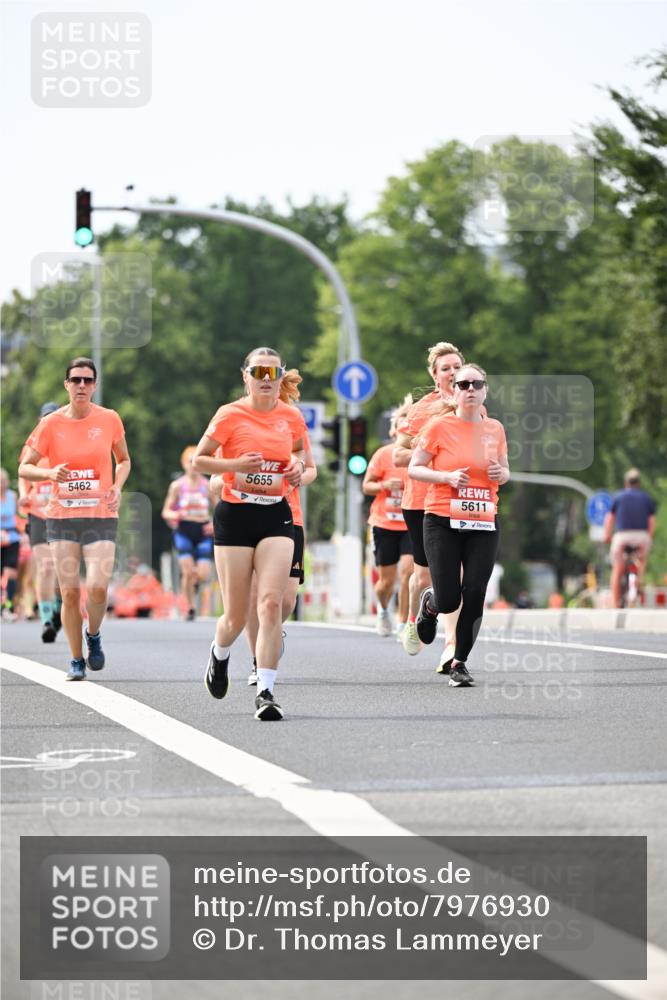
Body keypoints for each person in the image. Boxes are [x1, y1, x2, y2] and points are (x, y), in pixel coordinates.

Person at [193, 348, 306, 721]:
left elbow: (305, 462)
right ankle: (219, 653)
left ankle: (267, 691)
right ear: (246, 376)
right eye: (258, 371)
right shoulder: (230, 414)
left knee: (271, 603)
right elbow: (199, 459)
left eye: (273, 372)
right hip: (235, 516)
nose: (266, 378)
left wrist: (297, 472)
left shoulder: (290, 417)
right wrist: (233, 465)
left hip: (276, 515)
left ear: (280, 376)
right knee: (236, 617)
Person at [18, 357, 131, 680]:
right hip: (63, 517)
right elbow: (25, 467)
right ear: (66, 385)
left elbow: (123, 460)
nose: (82, 386)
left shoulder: (109, 419)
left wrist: (119, 486)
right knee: (68, 592)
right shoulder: (51, 423)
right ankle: (76, 659)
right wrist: (50, 472)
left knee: (97, 587)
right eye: (76, 380)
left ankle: (93, 634)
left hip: (100, 514)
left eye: (87, 380)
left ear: (94, 385)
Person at [409, 364, 510, 687]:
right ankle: (431, 604)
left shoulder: (495, 429)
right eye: (462, 384)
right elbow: (415, 468)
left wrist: (500, 475)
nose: (469, 389)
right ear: (453, 392)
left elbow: (505, 470)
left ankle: (459, 662)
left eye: (475, 384)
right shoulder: (439, 427)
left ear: (484, 390)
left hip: (483, 519)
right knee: (450, 598)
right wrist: (445, 477)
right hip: (442, 519)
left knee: (476, 591)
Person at [393, 342, 466, 672]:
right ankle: (413, 618)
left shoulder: (473, 406)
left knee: (456, 574)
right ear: (434, 376)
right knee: (423, 575)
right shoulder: (421, 409)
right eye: (446, 368)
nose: (452, 373)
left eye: (456, 367)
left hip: (458, 499)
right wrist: (433, 452)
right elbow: (398, 455)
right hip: (421, 499)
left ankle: (451, 647)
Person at [363, 405, 413, 637]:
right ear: (394, 431)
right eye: (401, 422)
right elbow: (367, 486)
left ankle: (403, 624)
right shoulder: (383, 455)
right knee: (386, 581)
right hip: (384, 524)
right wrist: (384, 486)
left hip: (410, 523)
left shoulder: (420, 456)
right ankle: (383, 609)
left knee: (408, 573)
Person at [18, 402, 63, 641]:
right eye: (45, 419)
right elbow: (23, 472)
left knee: (60, 568)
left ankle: (57, 607)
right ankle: (46, 618)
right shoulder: (33, 446)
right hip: (38, 514)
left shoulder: (67, 445)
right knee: (45, 567)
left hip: (62, 515)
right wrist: (25, 493)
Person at [161, 446, 214, 621]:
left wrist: (214, 524)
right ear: (183, 464)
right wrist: (175, 514)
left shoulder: (207, 485)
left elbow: (220, 507)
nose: (192, 465)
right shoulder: (177, 486)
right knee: (187, 571)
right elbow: (166, 511)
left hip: (203, 530)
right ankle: (190, 607)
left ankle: (196, 582)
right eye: (189, 461)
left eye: (195, 461)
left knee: (203, 574)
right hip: (184, 530)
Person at [603, 468, 656, 607]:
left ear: (626, 483)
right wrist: (649, 537)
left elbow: (610, 518)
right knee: (642, 560)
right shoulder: (646, 498)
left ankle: (615, 604)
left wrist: (607, 536)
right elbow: (651, 521)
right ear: (638, 483)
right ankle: (640, 578)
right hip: (641, 536)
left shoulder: (618, 497)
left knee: (617, 567)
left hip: (623, 536)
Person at [1, 468, 21, 621]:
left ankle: (9, 606)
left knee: (11, 573)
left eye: (4, 481)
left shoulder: (12, 496)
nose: (3, 484)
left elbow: (19, 516)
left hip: (12, 538)